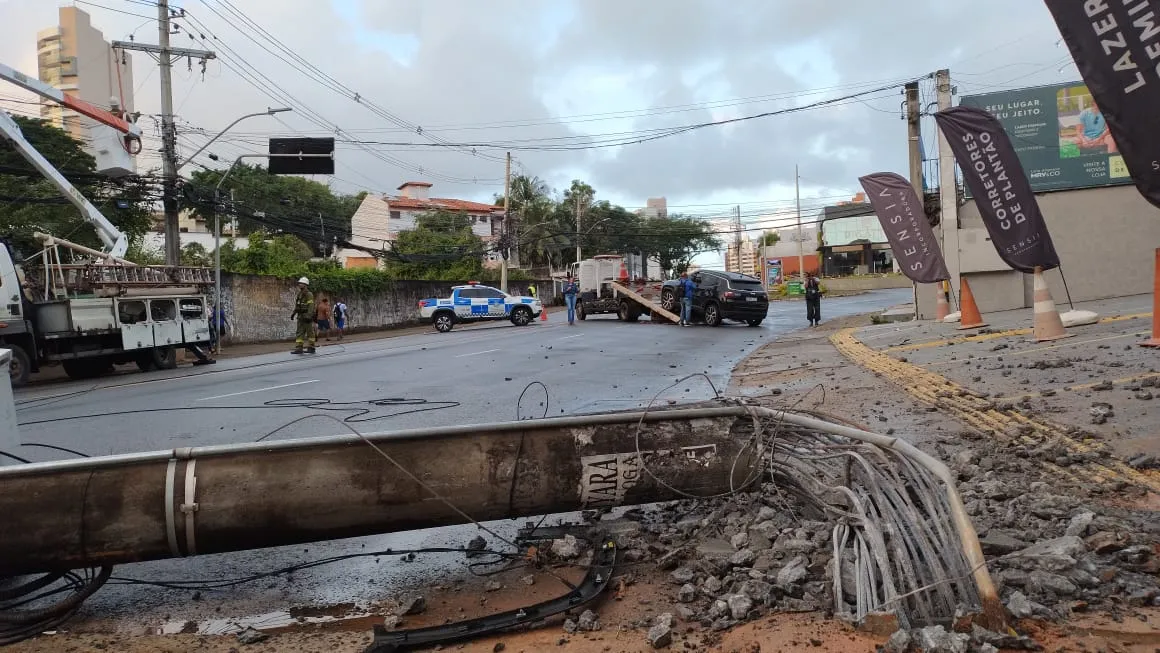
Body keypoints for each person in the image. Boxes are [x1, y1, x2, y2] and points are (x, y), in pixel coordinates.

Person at [290, 277, 317, 354]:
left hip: (306, 316)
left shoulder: (309, 294)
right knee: (299, 332)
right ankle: (299, 348)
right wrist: (293, 313)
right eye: (299, 283)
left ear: (305, 285)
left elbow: (311, 306)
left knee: (310, 332)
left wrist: (309, 315)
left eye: (301, 283)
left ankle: (311, 347)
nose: (299, 284)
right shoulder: (300, 294)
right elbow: (297, 305)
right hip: (300, 316)